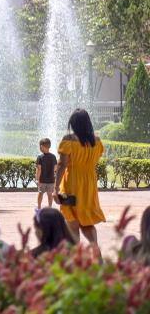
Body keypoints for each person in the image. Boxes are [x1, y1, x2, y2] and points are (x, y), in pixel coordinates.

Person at [55, 108, 105, 253]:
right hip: (89, 184)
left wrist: (56, 187)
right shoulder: (97, 141)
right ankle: (95, 250)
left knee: (72, 219)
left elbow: (62, 164)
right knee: (87, 219)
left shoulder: (68, 140)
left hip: (72, 183)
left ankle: (75, 257)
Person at [35, 137, 57, 209]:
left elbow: (39, 169)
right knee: (50, 194)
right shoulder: (53, 157)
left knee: (40, 193)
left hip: (42, 180)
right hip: (51, 180)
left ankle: (39, 207)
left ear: (41, 146)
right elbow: (55, 169)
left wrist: (37, 179)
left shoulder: (40, 157)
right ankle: (50, 207)